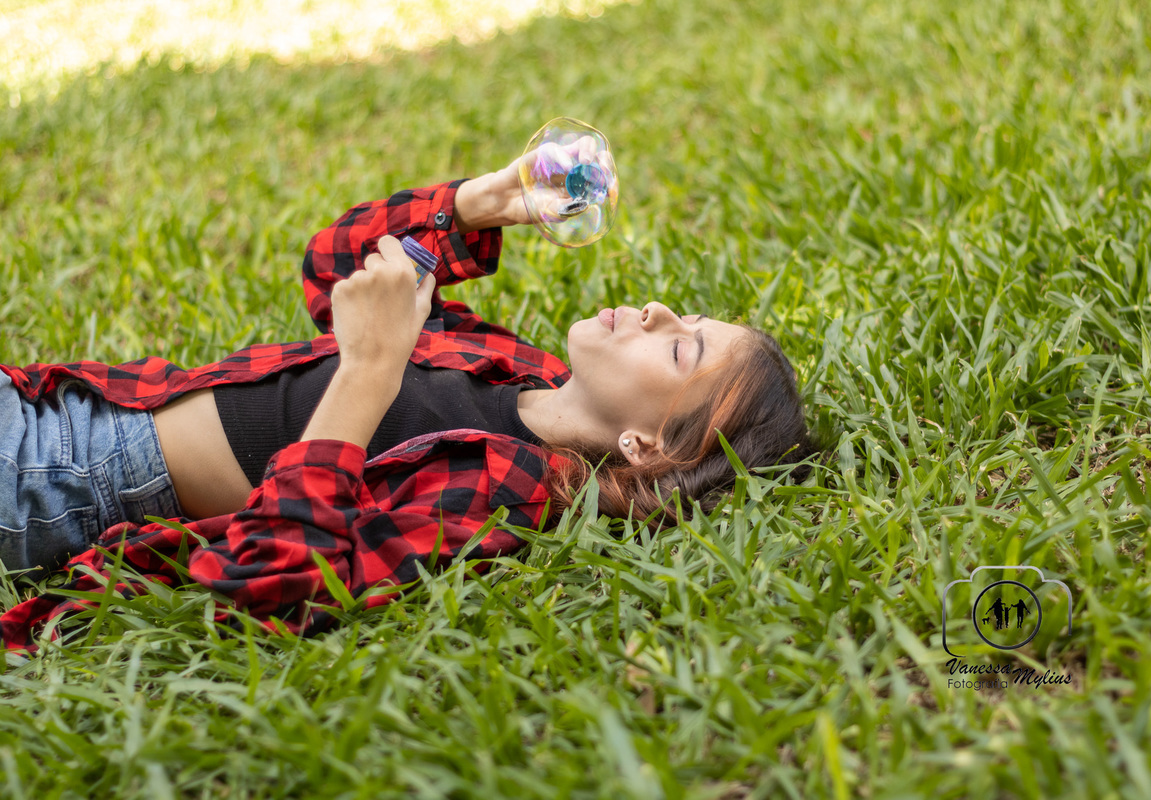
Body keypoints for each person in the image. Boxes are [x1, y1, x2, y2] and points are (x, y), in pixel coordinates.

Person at [0, 156, 814, 650]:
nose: (657, 312)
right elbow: (334, 269)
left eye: (680, 346)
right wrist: (471, 206)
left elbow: (268, 593)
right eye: (682, 313)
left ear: (645, 445)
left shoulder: (510, 488)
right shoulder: (517, 372)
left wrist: (370, 373)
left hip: (58, 480)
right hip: (62, 401)